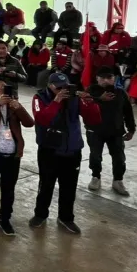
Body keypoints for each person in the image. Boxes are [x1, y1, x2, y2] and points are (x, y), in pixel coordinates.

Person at [29, 72, 101, 235]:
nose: (63, 90)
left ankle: (66, 217)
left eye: (66, 87)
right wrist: (56, 101)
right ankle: (40, 214)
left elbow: (94, 120)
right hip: (50, 149)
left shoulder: (76, 98)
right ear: (50, 86)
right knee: (46, 184)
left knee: (69, 187)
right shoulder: (39, 98)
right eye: (59, 88)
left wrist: (90, 104)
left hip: (72, 149)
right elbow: (41, 119)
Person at [85, 67, 136, 196]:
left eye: (109, 78)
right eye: (102, 78)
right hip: (95, 130)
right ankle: (95, 177)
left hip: (116, 130)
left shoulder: (121, 93)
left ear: (114, 79)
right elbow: (84, 106)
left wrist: (131, 129)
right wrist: (99, 99)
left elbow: (128, 112)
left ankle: (118, 180)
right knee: (95, 156)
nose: (106, 81)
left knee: (119, 158)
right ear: (97, 79)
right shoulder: (90, 91)